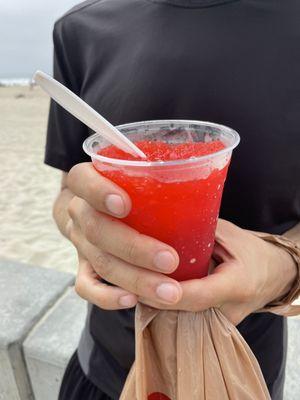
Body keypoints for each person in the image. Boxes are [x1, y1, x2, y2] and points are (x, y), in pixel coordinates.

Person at [45, 1, 300, 399]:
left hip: (243, 372)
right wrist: (83, 227)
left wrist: (284, 265)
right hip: (107, 364)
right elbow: (67, 196)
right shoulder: (80, 30)